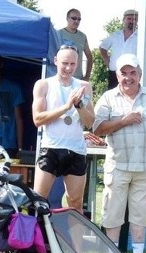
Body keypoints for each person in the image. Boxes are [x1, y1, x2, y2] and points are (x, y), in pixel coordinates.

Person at [93, 53, 146, 253]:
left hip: (145, 165)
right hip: (118, 165)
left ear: (140, 74)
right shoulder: (108, 98)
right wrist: (124, 121)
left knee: (141, 212)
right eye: (123, 73)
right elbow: (97, 128)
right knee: (112, 211)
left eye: (132, 72)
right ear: (117, 75)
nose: (128, 77)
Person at [31, 44, 95, 213]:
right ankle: (34, 239)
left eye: (73, 64)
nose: (68, 68)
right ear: (55, 61)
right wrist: (66, 107)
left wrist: (79, 105)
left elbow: (90, 122)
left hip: (76, 149)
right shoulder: (43, 84)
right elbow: (37, 119)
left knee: (75, 203)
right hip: (51, 148)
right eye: (65, 63)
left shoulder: (84, 86)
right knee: (38, 200)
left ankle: (74, 240)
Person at [99, 9, 146, 89]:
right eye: (129, 19)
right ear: (123, 20)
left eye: (135, 19)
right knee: (113, 98)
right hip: (114, 73)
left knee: (132, 96)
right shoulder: (115, 35)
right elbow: (102, 47)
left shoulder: (141, 37)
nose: (132, 21)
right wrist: (107, 62)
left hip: (132, 74)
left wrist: (145, 62)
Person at [0, 56, 24, 158]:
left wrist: (20, 148)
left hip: (8, 142)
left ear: (1, 65)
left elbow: (19, 119)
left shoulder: (13, 88)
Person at [58, 9, 93, 81]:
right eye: (74, 18)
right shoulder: (58, 34)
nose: (76, 21)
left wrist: (87, 76)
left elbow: (89, 57)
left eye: (79, 19)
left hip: (77, 78)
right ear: (67, 18)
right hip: (61, 77)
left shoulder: (82, 36)